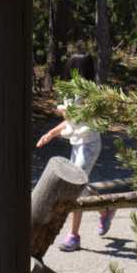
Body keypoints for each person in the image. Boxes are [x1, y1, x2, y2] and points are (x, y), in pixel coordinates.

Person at [36, 52, 116, 251]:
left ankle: (73, 235)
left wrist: (66, 112)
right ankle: (105, 208)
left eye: (77, 70)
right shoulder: (71, 92)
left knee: (74, 187)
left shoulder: (92, 93)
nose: (74, 74)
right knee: (78, 187)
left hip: (89, 145)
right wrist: (50, 133)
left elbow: (81, 117)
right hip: (77, 144)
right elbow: (70, 120)